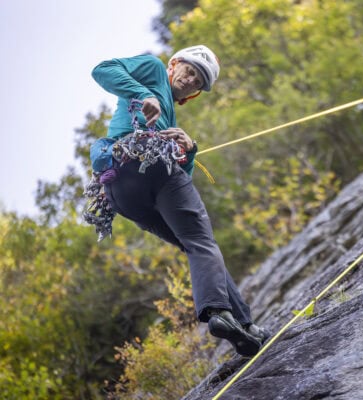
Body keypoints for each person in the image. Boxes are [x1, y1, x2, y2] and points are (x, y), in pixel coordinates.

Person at [91, 45, 269, 357]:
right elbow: (102, 69)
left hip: (124, 192)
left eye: (198, 81)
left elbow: (181, 177)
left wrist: (189, 149)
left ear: (196, 93)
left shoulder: (170, 115)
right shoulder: (154, 68)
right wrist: (141, 93)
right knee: (201, 241)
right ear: (174, 64)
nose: (191, 80)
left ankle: (244, 323)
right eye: (189, 71)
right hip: (143, 163)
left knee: (196, 246)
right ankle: (224, 315)